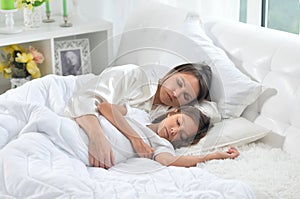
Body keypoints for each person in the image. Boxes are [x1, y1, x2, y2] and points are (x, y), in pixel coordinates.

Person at [64, 63, 212, 168]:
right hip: (77, 120)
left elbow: (213, 113)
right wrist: (97, 138)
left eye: (185, 96)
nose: (175, 93)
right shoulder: (133, 75)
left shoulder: (158, 118)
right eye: (179, 83)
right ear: (172, 73)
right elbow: (86, 100)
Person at [94, 102, 239, 167]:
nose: (174, 131)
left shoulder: (163, 145)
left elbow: (168, 161)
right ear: (172, 113)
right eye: (177, 122)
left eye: (181, 135)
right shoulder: (140, 115)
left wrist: (212, 156)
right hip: (88, 129)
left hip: (88, 151)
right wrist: (135, 138)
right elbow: (105, 107)